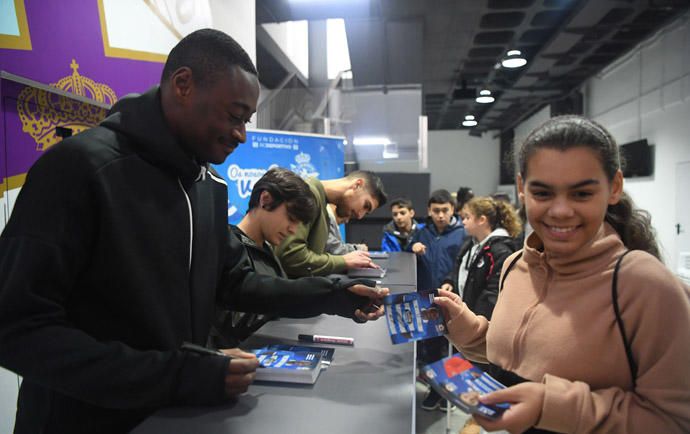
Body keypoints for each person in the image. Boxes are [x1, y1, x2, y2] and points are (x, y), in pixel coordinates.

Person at [0, 29, 387, 434]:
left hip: (174, 417)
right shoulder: (79, 169)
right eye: (234, 116)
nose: (241, 134)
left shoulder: (206, 186)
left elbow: (234, 282)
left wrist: (330, 294)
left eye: (246, 121)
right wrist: (175, 375)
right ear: (183, 85)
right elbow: (18, 328)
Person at [434, 115, 690, 433]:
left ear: (614, 188)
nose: (560, 210)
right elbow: (520, 356)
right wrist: (466, 327)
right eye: (542, 193)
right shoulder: (516, 265)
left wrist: (549, 406)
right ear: (521, 189)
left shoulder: (646, 286)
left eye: (581, 194)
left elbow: (673, 421)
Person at [214, 167, 368, 347]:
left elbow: (282, 296)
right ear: (265, 199)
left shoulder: (267, 250)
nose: (293, 230)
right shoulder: (227, 248)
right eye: (291, 218)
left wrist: (341, 298)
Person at [409, 189, 465, 411]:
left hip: (452, 299)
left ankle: (451, 390)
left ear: (452, 210)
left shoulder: (463, 234)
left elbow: (462, 265)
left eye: (445, 210)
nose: (441, 215)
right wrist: (412, 248)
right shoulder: (423, 233)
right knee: (431, 347)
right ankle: (435, 390)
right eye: (436, 211)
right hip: (427, 299)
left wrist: (452, 281)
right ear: (429, 211)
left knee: (453, 346)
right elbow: (408, 251)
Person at [275, 170, 387, 277]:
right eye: (365, 205)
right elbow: (291, 257)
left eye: (366, 212)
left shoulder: (320, 202)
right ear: (357, 185)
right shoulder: (307, 195)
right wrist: (343, 261)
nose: (360, 215)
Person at [440, 196, 522, 320]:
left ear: (482, 220)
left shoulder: (500, 250)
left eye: (467, 217)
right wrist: (450, 281)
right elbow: (460, 269)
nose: (463, 222)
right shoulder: (470, 244)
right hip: (465, 312)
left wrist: (476, 318)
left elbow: (494, 292)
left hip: (483, 319)